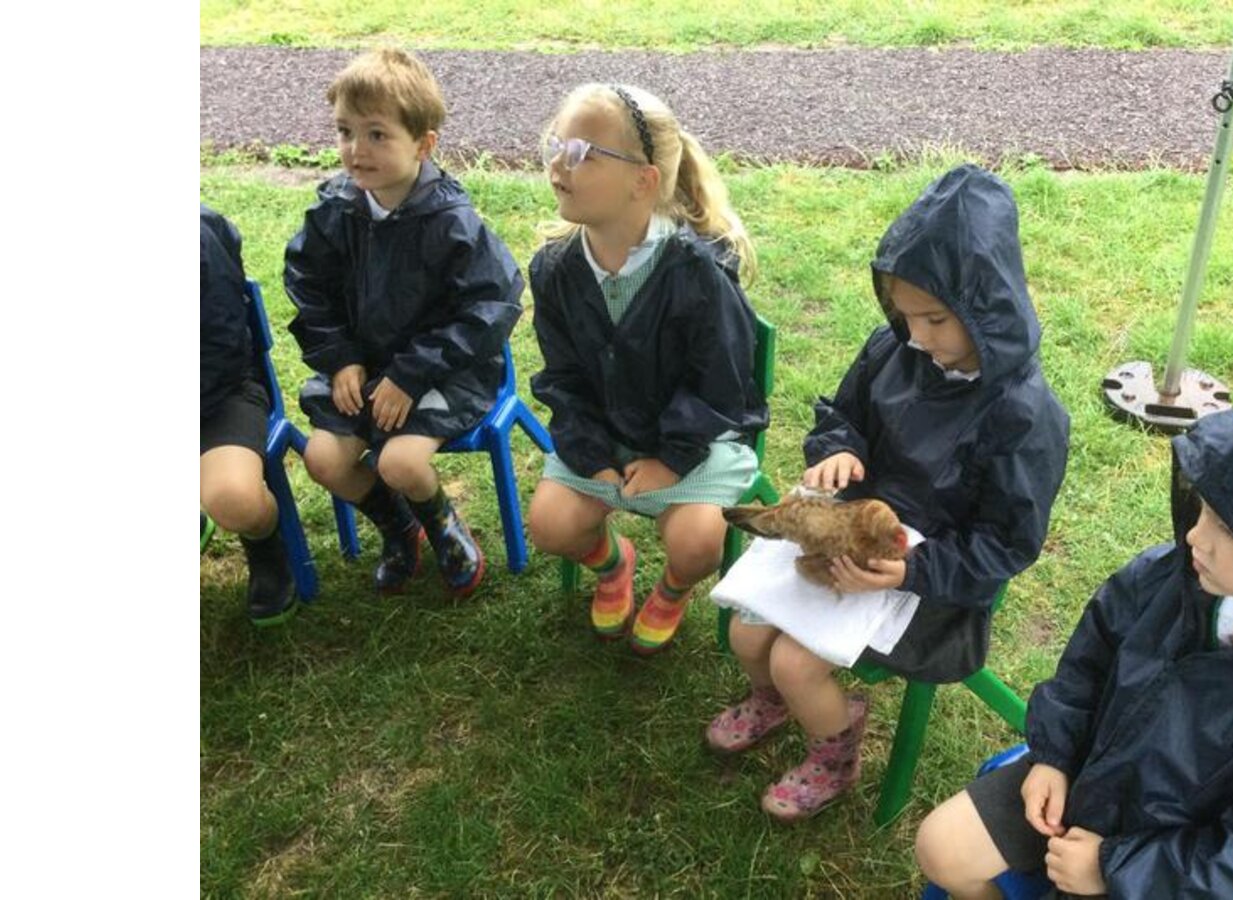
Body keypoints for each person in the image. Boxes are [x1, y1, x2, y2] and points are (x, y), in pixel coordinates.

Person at [915, 372, 1233, 899]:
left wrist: (1114, 868)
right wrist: (1055, 754)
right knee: (941, 846)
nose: (1195, 535)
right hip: (1079, 779)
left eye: (1229, 529)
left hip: (1158, 875)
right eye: (1203, 508)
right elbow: (1091, 657)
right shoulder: (1173, 579)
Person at [707, 164, 1070, 822]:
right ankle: (773, 703)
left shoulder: (1024, 415)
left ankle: (835, 746)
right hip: (844, 533)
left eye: (936, 319)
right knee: (747, 630)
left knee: (793, 661)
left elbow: (1005, 545)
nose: (919, 336)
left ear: (988, 309)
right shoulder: (894, 348)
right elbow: (840, 414)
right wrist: (837, 449)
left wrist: (910, 570)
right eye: (905, 315)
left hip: (931, 580)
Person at [523, 82, 766, 655]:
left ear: (644, 181)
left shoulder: (698, 273)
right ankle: (614, 565)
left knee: (696, 541)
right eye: (556, 145)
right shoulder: (554, 269)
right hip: (606, 438)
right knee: (550, 524)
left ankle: (674, 589)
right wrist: (591, 454)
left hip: (696, 442)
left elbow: (721, 385)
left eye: (582, 153)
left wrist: (670, 459)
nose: (558, 164)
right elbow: (563, 378)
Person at [285, 47, 525, 598]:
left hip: (443, 373)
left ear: (423, 144)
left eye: (376, 134)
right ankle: (400, 527)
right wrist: (340, 358)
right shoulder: (334, 210)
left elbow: (490, 307)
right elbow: (308, 285)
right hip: (363, 370)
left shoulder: (451, 221)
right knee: (323, 460)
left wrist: (412, 374)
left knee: (400, 463)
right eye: (345, 131)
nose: (356, 149)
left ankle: (442, 524)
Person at [200, 204, 295, 626]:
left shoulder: (198, 239)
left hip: (220, 395)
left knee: (234, 499)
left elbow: (222, 349)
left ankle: (264, 543)